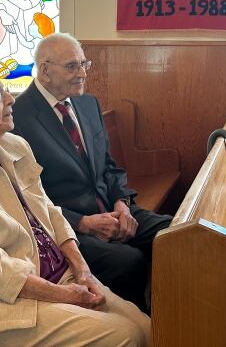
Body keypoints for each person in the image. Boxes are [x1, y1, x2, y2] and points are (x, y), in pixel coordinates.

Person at [0, 61, 150, 347]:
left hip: (54, 278)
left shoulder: (13, 146)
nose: (11, 98)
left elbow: (50, 213)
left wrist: (82, 272)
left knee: (146, 328)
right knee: (124, 337)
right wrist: (64, 295)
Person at [11, 33, 172, 312]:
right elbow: (26, 198)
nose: (82, 73)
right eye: (72, 66)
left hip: (112, 209)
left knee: (178, 233)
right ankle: (138, 329)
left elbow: (109, 166)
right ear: (45, 70)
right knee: (128, 261)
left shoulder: (87, 104)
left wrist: (123, 204)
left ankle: (175, 322)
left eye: (84, 64)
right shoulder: (19, 117)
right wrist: (84, 223)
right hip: (69, 228)